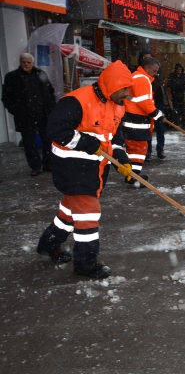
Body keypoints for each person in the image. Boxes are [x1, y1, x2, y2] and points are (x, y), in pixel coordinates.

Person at [36, 61, 134, 278]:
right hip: (73, 168)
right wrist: (89, 144)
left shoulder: (117, 104)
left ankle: (48, 244)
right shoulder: (77, 100)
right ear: (113, 84)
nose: (127, 94)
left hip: (95, 170)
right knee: (88, 215)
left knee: (69, 212)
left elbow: (113, 137)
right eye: (125, 89)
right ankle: (85, 263)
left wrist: (121, 158)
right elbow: (55, 129)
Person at [1, 53, 56, 176]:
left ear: (32, 63)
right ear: (20, 63)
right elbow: (6, 97)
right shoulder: (12, 77)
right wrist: (15, 110)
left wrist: (51, 108)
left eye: (28, 62)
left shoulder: (40, 74)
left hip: (43, 114)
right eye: (23, 62)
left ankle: (48, 164)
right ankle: (35, 166)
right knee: (28, 142)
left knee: (47, 140)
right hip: (25, 116)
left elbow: (50, 92)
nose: (26, 64)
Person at [123, 57, 165, 184]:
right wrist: (157, 115)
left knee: (135, 148)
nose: (156, 74)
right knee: (139, 148)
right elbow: (144, 102)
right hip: (136, 118)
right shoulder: (142, 79)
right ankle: (133, 175)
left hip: (134, 117)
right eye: (154, 70)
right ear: (146, 68)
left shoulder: (138, 77)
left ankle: (132, 174)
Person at [137, 50, 166, 160]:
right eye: (145, 58)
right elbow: (143, 98)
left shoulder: (156, 74)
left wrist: (166, 102)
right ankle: (147, 151)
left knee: (160, 128)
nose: (155, 72)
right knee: (147, 128)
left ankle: (160, 149)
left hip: (157, 102)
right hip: (147, 105)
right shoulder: (141, 77)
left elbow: (162, 88)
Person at [167, 63, 185, 129]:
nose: (179, 70)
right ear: (176, 70)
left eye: (180, 69)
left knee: (182, 108)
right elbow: (169, 85)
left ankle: (183, 122)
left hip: (180, 94)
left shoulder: (183, 76)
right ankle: (177, 122)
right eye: (178, 69)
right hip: (175, 93)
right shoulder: (172, 76)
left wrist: (183, 90)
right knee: (176, 108)